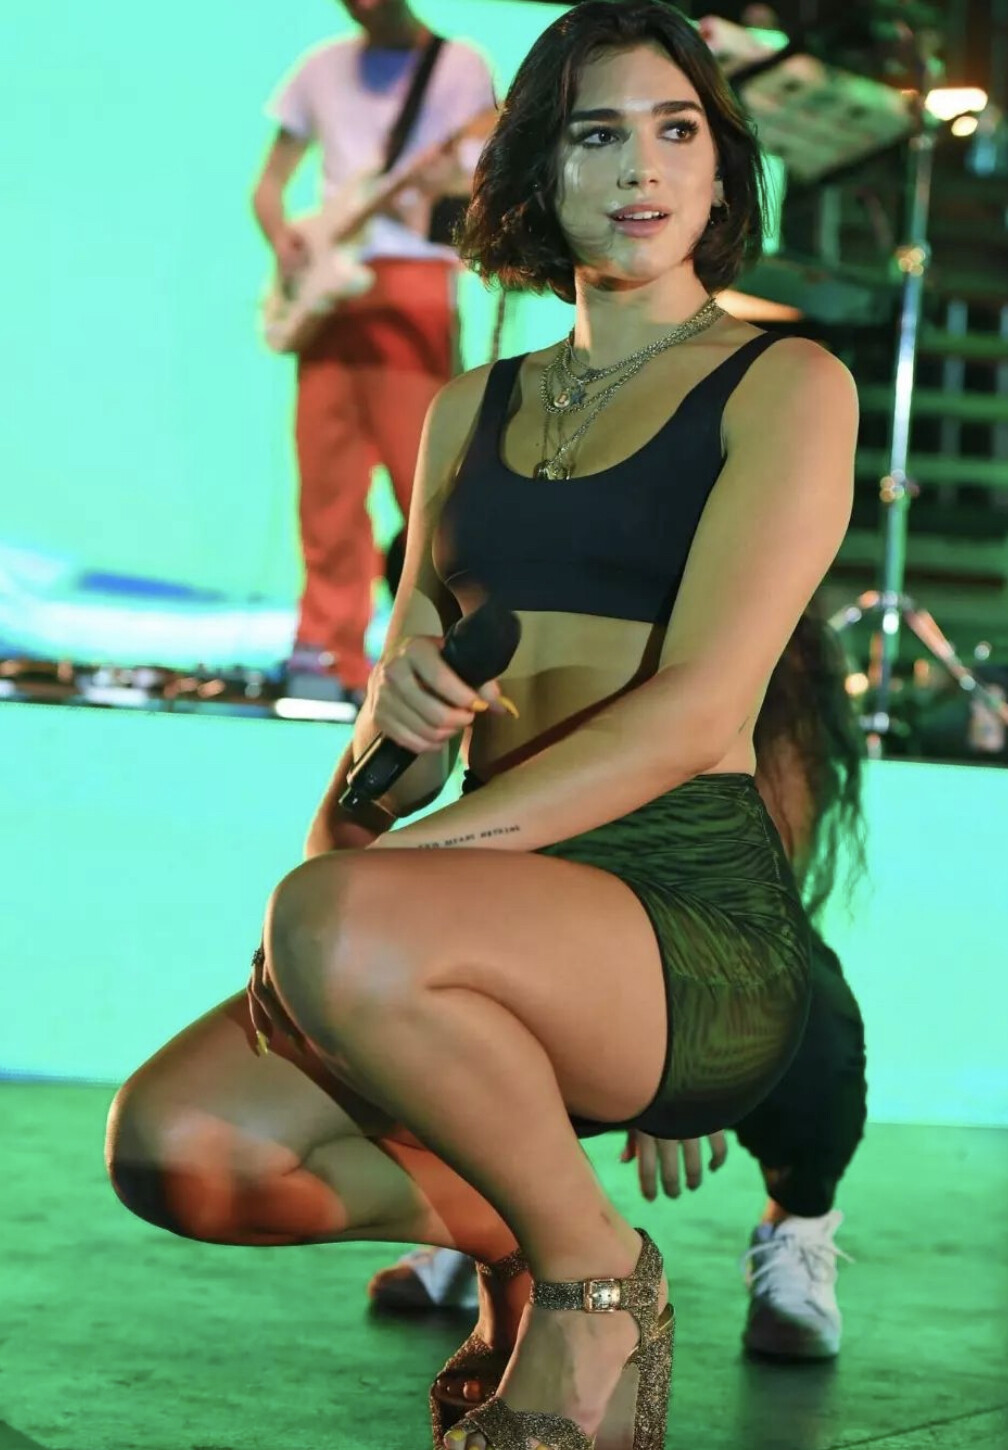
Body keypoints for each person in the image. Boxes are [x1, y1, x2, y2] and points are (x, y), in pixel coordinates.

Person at [106, 4, 858, 1448]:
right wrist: (379, 758)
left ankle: (595, 1284)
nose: (641, 167)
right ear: (532, 170)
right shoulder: (466, 409)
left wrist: (377, 886)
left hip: (680, 916)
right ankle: (520, 1224)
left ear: (720, 169)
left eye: (676, 129)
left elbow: (695, 715)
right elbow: (382, 783)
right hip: (470, 906)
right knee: (174, 1146)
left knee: (330, 917)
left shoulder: (786, 386)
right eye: (596, 133)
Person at [369, 609, 868, 1388]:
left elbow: (776, 849)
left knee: (820, 1021)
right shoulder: (527, 583)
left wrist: (681, 1027)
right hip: (540, 892)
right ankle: (483, 1219)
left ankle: (797, 1226)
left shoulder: (773, 628)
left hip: (699, 906)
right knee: (432, 998)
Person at [253, 0, 496, 695]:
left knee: (425, 483)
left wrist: (423, 194)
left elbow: (480, 199)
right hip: (329, 290)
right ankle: (325, 650)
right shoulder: (321, 67)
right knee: (325, 481)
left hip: (413, 286)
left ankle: (435, 653)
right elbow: (268, 187)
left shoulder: (460, 66)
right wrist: (284, 239)